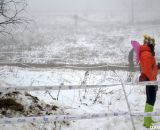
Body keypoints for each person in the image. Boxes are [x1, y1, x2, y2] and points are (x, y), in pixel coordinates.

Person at [139, 34, 159, 128]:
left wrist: (157, 67)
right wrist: (153, 81)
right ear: (150, 44)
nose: (154, 45)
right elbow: (147, 70)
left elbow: (150, 67)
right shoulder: (147, 53)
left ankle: (148, 119)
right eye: (153, 43)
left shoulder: (147, 53)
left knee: (150, 100)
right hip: (150, 81)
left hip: (151, 80)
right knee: (151, 100)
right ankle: (147, 122)